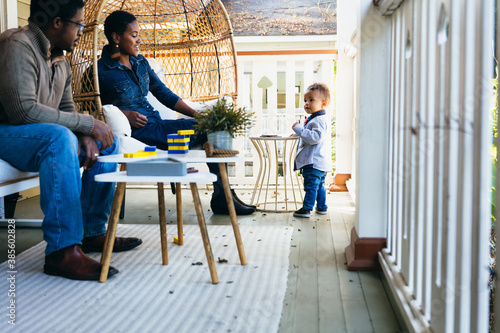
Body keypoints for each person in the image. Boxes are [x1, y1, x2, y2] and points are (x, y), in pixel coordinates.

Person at [0, 0, 142, 281]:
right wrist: (87, 124)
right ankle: (62, 250)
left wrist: (86, 134)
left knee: (107, 140)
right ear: (57, 23)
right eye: (78, 24)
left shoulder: (61, 60)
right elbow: (22, 111)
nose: (81, 31)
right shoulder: (17, 45)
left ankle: (91, 231)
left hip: (36, 134)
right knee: (59, 138)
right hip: (8, 131)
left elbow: (66, 112)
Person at [97, 10, 255, 215]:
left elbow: (165, 95)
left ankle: (223, 195)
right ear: (116, 38)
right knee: (211, 129)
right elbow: (93, 107)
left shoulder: (140, 62)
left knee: (214, 125)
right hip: (141, 132)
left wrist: (197, 115)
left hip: (158, 125)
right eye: (134, 35)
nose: (139, 40)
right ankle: (223, 197)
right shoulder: (100, 70)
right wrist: (124, 114)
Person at [291, 83, 332, 218]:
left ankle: (307, 208)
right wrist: (299, 134)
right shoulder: (317, 119)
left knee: (311, 186)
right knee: (319, 186)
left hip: (313, 162)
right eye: (305, 100)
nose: (307, 103)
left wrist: (298, 129)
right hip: (320, 162)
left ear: (323, 104)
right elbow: (309, 134)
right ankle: (322, 207)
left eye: (311, 100)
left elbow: (315, 138)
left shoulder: (318, 120)